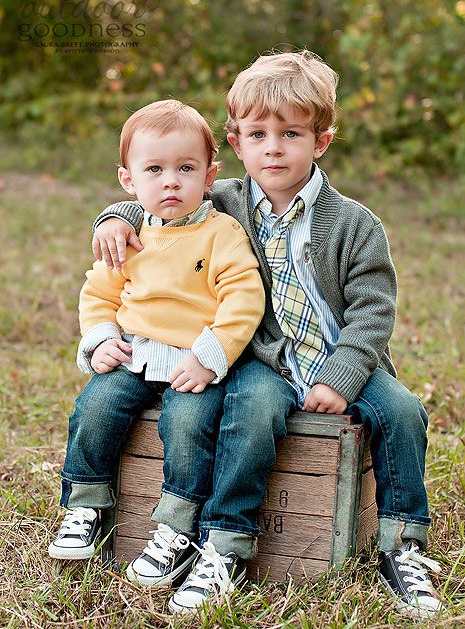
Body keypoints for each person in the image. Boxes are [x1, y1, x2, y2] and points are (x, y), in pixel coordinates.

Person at [92, 51, 445, 619]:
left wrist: (342, 376)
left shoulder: (355, 223)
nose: (273, 148)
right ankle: (224, 544)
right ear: (235, 142)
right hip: (264, 359)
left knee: (402, 411)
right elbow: (158, 200)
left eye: (291, 133)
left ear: (321, 141)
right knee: (250, 411)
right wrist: (113, 219)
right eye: (258, 133)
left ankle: (402, 546)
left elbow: (373, 313)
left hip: (339, 358)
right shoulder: (222, 201)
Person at [48, 99, 278, 615]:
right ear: (128, 180)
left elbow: (244, 297)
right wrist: (101, 337)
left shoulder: (222, 233)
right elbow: (99, 293)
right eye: (155, 170)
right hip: (134, 353)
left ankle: (176, 527)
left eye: (186, 169)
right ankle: (84, 506)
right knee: (95, 409)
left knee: (190, 423)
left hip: (192, 360)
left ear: (210, 175)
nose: (170, 181)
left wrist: (210, 354)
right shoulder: (128, 236)